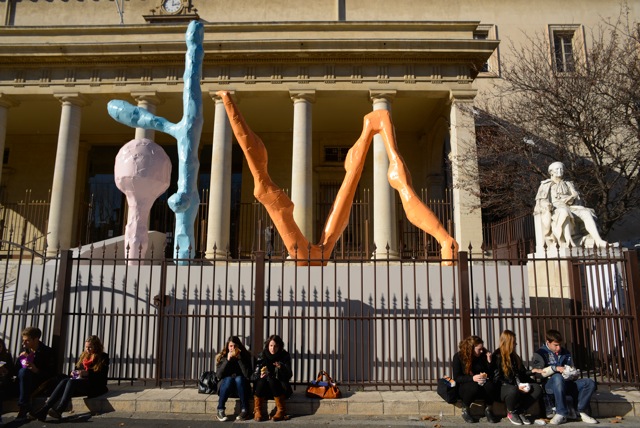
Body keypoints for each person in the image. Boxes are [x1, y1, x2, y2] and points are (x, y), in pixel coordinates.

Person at [28, 335, 109, 421]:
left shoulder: (103, 357)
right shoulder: (84, 356)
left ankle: (60, 409)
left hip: (94, 385)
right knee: (65, 380)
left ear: (96, 347)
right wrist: (73, 373)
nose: (87, 349)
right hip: (80, 383)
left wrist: (87, 373)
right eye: (86, 347)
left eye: (90, 347)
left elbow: (101, 376)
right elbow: (77, 369)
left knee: (71, 382)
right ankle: (44, 409)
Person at [531, 329, 598, 425]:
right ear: (548, 342)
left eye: (559, 345)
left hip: (567, 383)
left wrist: (573, 373)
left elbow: (571, 367)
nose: (558, 348)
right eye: (555, 345)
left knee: (589, 383)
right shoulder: (540, 353)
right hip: (550, 385)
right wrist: (554, 368)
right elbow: (538, 374)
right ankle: (561, 412)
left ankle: (581, 411)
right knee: (558, 377)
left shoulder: (566, 352)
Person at [535, 162, 607, 249]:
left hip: (571, 207)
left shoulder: (568, 184)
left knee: (586, 212)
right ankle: (569, 241)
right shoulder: (546, 185)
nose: (560, 171)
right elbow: (541, 200)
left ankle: (598, 240)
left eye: (561, 169)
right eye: (557, 169)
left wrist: (575, 197)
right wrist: (547, 205)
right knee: (564, 211)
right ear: (551, 172)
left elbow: (577, 200)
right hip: (556, 208)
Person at [491, 330, 542, 426]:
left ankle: (520, 410)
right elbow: (496, 378)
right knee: (513, 390)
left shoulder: (514, 356)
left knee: (537, 388)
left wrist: (532, 371)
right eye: (514, 342)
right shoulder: (497, 356)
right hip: (503, 389)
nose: (516, 344)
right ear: (508, 343)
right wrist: (516, 387)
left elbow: (521, 373)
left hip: (516, 386)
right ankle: (511, 411)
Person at [452, 335, 499, 423]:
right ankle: (465, 409)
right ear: (471, 348)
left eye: (482, 348)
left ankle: (488, 409)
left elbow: (490, 374)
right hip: (465, 387)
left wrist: (489, 362)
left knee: (490, 385)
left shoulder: (482, 356)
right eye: (479, 349)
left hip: (482, 384)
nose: (481, 351)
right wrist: (472, 378)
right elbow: (457, 378)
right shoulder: (458, 357)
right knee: (473, 386)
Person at [15, 326, 57, 418]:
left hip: (40, 381)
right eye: (23, 340)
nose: (24, 343)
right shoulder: (25, 351)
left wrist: (36, 370)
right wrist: (20, 360)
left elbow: (51, 373)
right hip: (23, 381)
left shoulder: (47, 352)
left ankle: (23, 406)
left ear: (36, 339)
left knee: (24, 372)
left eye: (27, 340)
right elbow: (16, 371)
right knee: (23, 371)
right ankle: (25, 406)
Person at [252, 334, 292, 422]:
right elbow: (253, 376)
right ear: (267, 345)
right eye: (271, 346)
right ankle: (257, 411)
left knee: (271, 379)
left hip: (279, 389)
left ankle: (281, 410)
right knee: (262, 379)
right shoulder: (262, 355)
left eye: (275, 346)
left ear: (279, 347)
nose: (273, 349)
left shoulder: (284, 356)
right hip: (264, 390)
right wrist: (260, 375)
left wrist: (281, 367)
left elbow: (289, 375)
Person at [215, 336, 253, 422]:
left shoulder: (245, 356)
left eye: (235, 346)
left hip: (241, 387)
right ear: (228, 347)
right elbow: (218, 375)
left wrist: (239, 359)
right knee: (228, 379)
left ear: (238, 346)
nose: (232, 348)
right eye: (231, 346)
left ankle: (244, 410)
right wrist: (227, 361)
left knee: (238, 379)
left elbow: (247, 375)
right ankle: (220, 410)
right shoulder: (223, 356)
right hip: (226, 387)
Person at [0, 339, 15, 426]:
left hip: (4, 383)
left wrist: (5, 370)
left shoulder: (6, 356)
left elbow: (12, 371)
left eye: (0, 346)